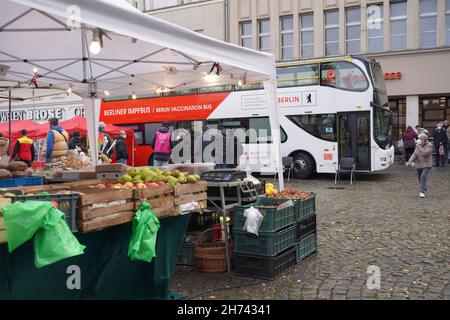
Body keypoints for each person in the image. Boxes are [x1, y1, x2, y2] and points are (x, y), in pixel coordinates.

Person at [406, 133, 433, 199]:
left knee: (423, 177)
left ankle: (422, 192)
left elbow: (425, 153)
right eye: (419, 139)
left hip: (427, 164)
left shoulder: (429, 146)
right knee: (420, 178)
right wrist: (409, 161)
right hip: (419, 164)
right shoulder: (418, 146)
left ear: (424, 140)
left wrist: (419, 147)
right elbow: (414, 154)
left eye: (420, 139)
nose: (419, 140)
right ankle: (424, 187)